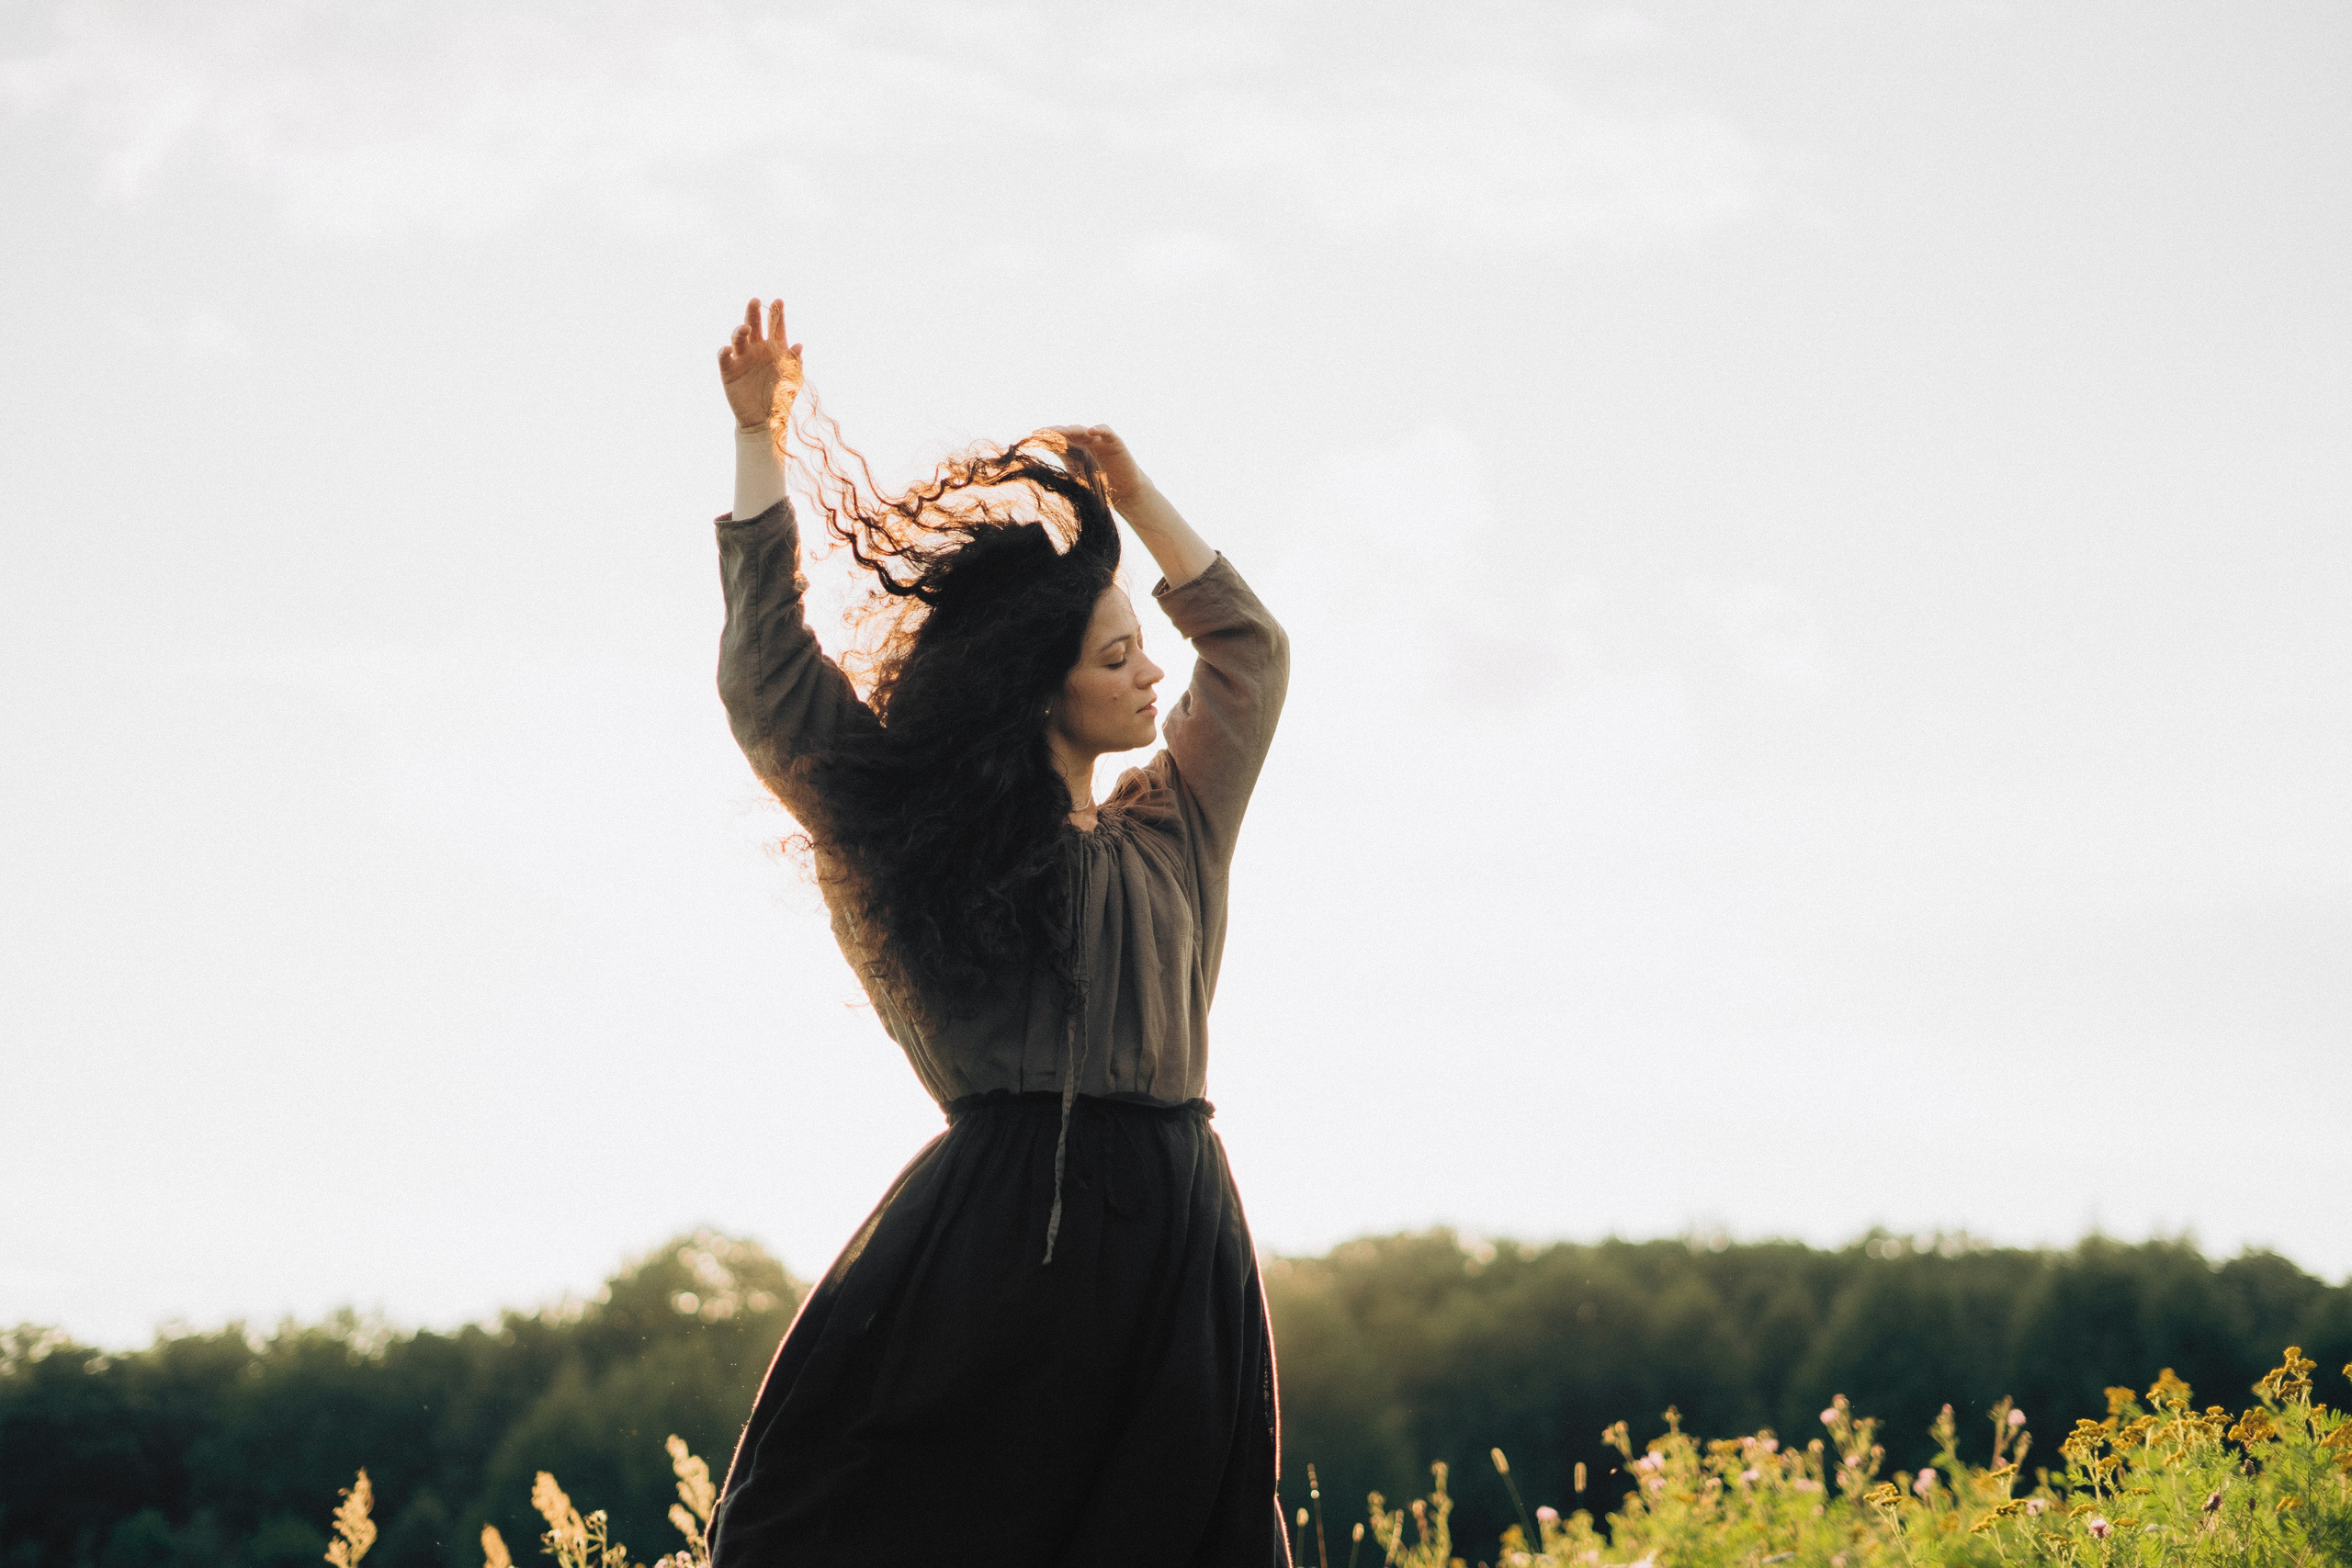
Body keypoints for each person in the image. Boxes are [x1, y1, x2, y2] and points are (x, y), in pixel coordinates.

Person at [704, 298, 1293, 1566]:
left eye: (1146, 651)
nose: (1154, 676)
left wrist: (1136, 498)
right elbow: (772, 686)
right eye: (1120, 656)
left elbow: (1249, 651)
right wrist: (759, 442)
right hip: (1002, 1238)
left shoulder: (1173, 827)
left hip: (1176, 1238)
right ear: (1043, 687)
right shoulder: (935, 844)